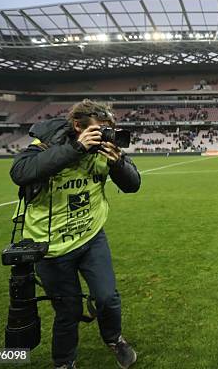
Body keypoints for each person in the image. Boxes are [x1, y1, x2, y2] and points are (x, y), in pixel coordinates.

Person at [9, 99, 141, 369]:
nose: (104, 136)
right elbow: (20, 172)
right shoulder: (46, 145)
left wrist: (118, 164)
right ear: (78, 126)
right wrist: (77, 148)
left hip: (91, 238)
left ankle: (114, 338)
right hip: (50, 247)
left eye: (108, 130)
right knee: (67, 310)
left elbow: (133, 184)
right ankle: (64, 361)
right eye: (98, 130)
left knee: (107, 297)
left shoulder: (105, 152)